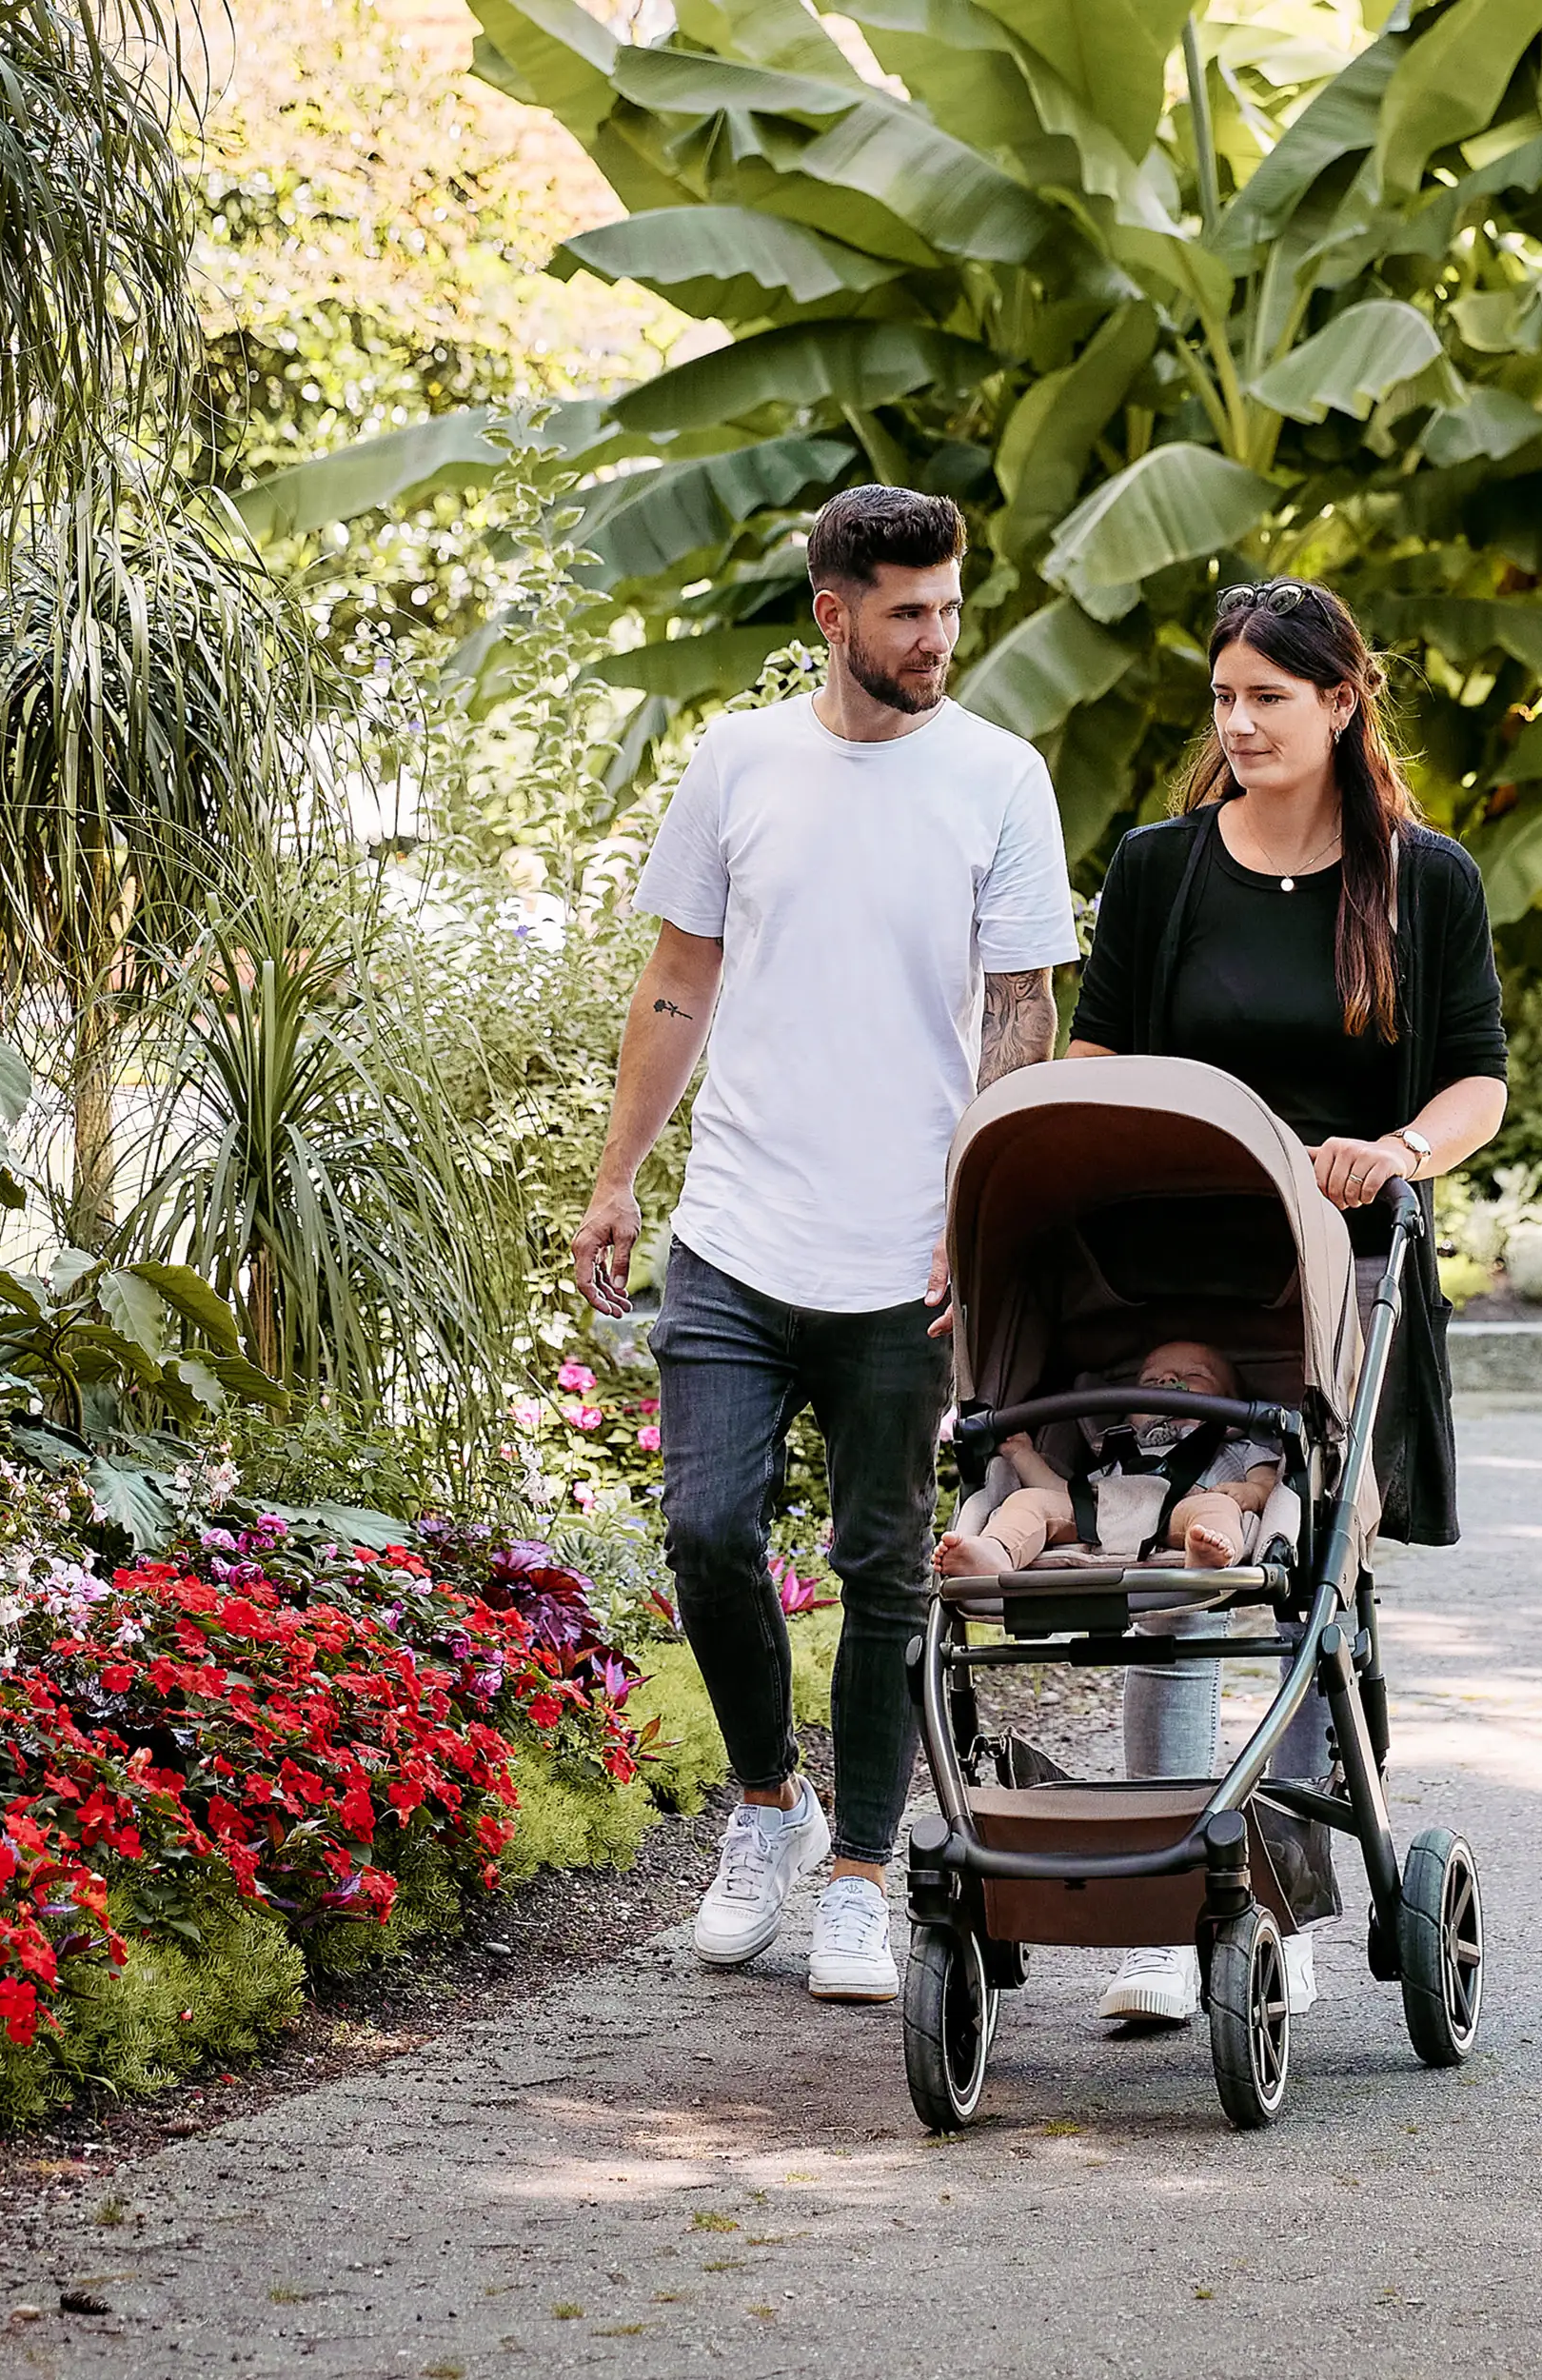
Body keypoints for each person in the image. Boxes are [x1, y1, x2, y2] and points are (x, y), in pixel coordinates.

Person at [570, 485, 1078, 2004]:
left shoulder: (1000, 777)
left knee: (880, 1565)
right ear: (832, 615)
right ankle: (765, 1811)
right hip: (734, 1226)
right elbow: (677, 980)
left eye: (949, 606)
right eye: (908, 611)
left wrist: (975, 1214)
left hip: (902, 1257)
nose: (938, 637)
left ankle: (861, 1866)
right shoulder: (739, 761)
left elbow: (1021, 1015)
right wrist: (617, 1180)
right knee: (706, 1536)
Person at [1065, 576, 1508, 2024]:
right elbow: (1100, 1059)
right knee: (1176, 1580)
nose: (1239, 723)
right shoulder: (1159, 868)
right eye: (1224, 697)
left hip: (1342, 1264)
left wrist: (1398, 1150)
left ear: (1340, 703)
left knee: (1309, 1570)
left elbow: (1476, 1079)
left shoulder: (1421, 879)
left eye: (1269, 696)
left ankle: (1281, 1900)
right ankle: (1155, 1906)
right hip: (1170, 1270)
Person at [934, 1341, 1281, 1577]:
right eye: (1150, 1381)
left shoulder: (1239, 1445)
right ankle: (998, 1552)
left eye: (1193, 1376)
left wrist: (1250, 1494)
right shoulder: (1118, 1446)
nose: (1168, 1381)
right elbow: (1067, 1492)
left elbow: (1269, 1484)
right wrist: (1022, 1455)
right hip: (1100, 1514)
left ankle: (1207, 1558)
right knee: (1029, 1501)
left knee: (1219, 1510)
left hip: (1184, 1511)